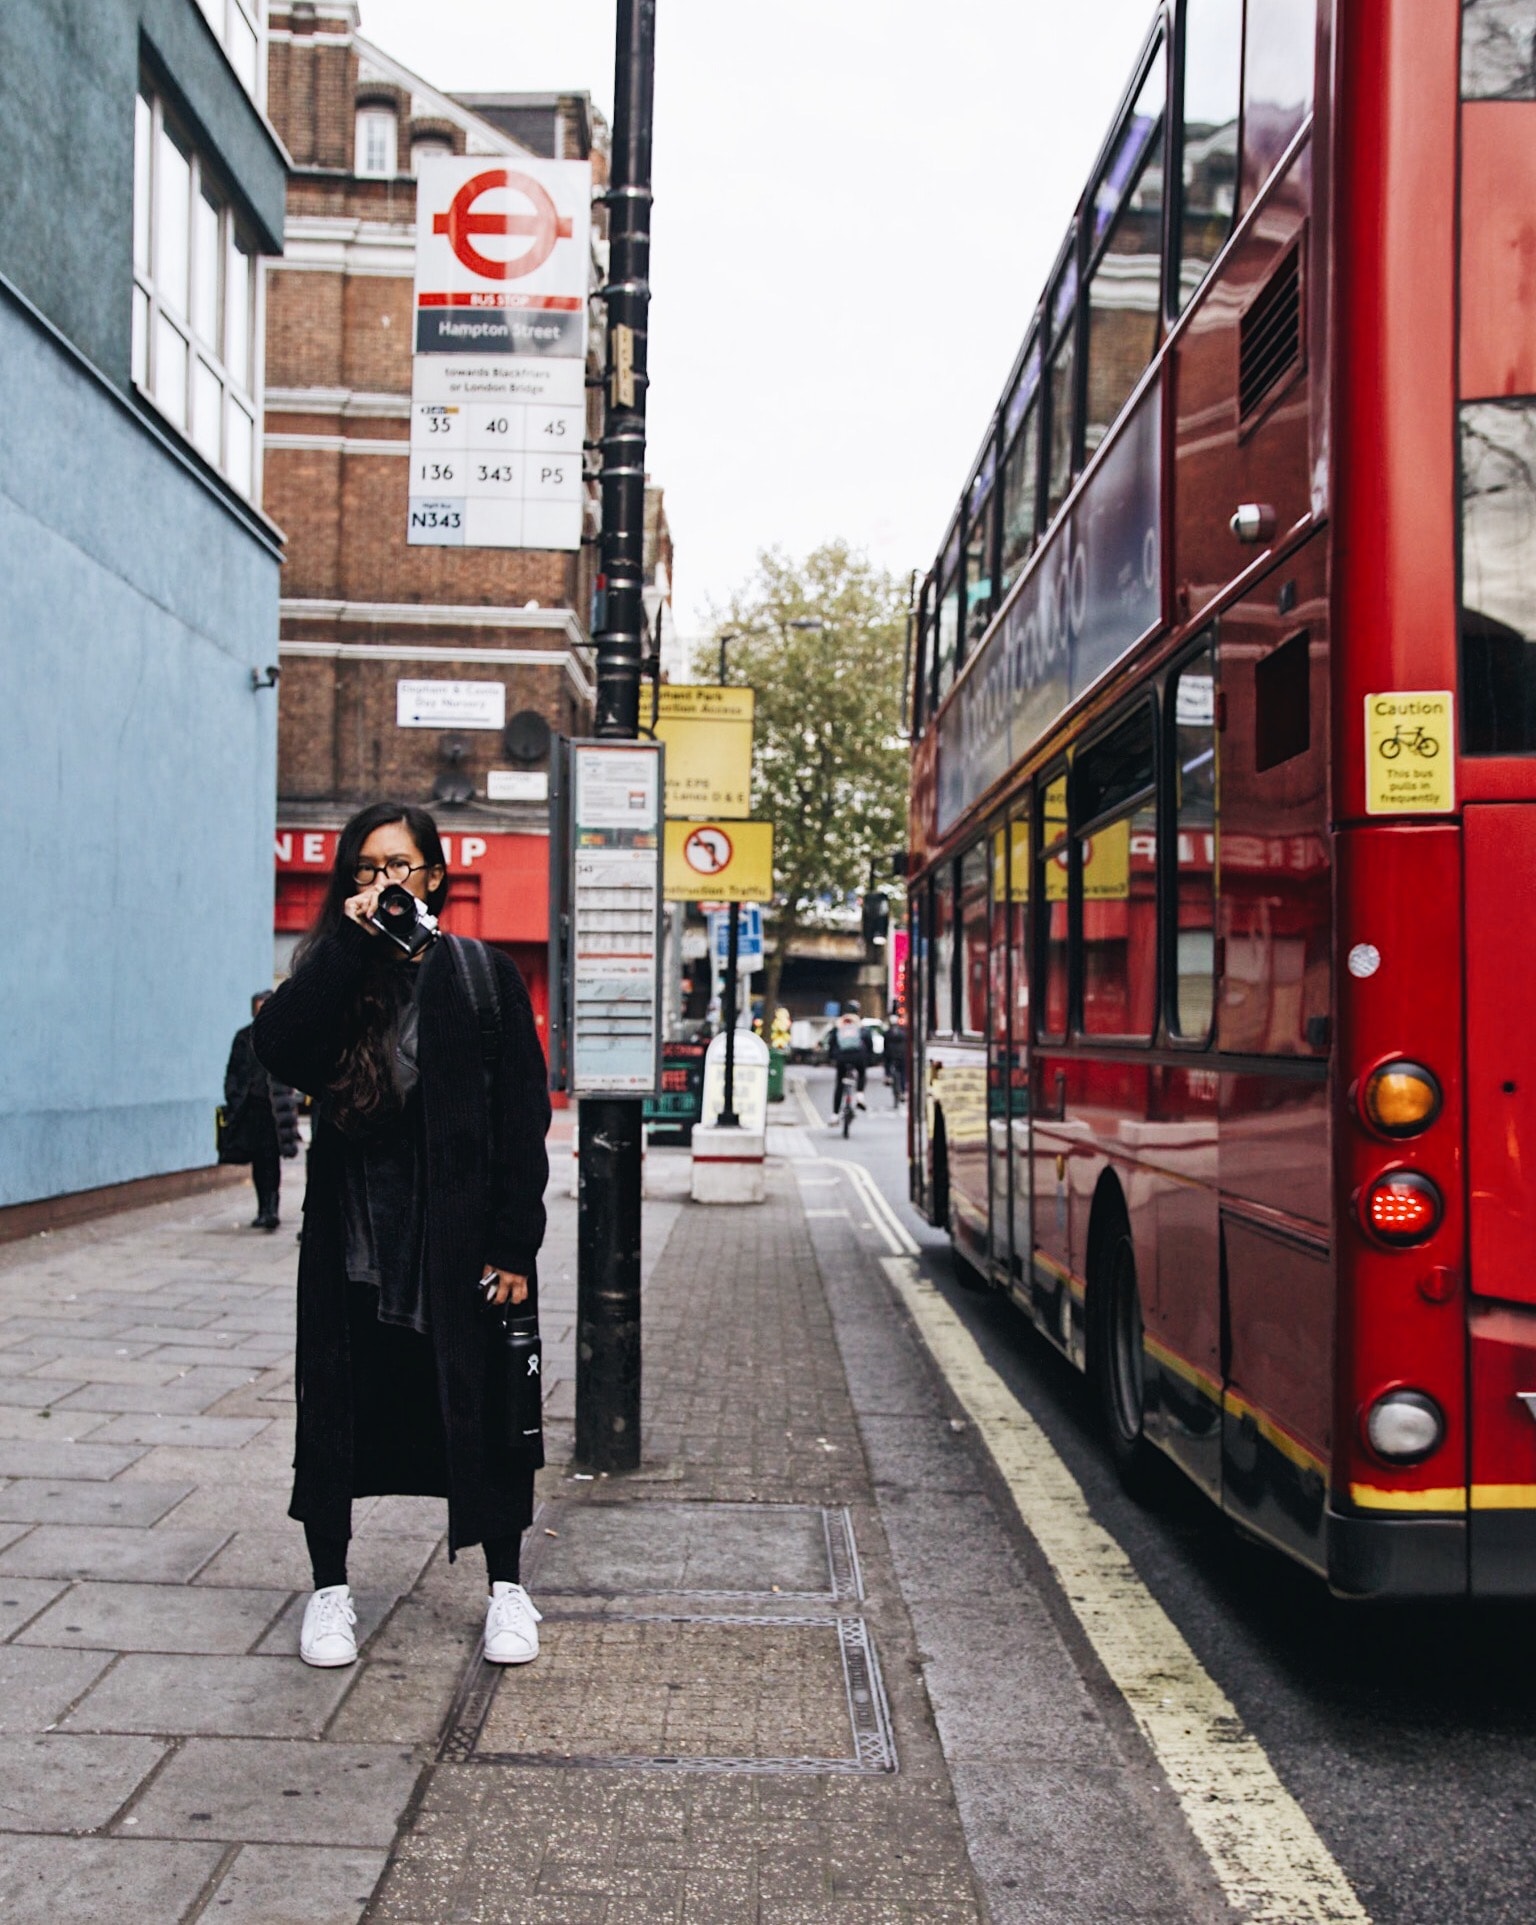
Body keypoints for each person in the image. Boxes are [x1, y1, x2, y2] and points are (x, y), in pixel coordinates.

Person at [253, 802, 551, 1672]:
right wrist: (346, 945)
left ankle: (506, 1589)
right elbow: (280, 1046)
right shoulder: (335, 976)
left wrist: (514, 1245)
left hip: (460, 1250)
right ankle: (331, 1590)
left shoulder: (483, 976)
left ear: (434, 876)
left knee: (488, 1416)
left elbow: (521, 1121)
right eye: (369, 869)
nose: (389, 882)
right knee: (338, 1419)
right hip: (354, 1248)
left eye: (403, 866)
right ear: (353, 884)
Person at [223, 993, 301, 1230]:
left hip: (273, 1109)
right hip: (251, 1108)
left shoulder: (282, 1037)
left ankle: (271, 1209)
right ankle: (262, 1209)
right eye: (260, 1007)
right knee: (258, 1161)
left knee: (271, 1160)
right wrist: (235, 1098)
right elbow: (233, 1072)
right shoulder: (244, 1037)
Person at [828, 1000, 872, 1122]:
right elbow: (868, 1039)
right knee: (862, 1073)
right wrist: (870, 1056)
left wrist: (831, 1056)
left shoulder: (839, 1023)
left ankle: (835, 1115)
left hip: (842, 1057)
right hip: (858, 1056)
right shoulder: (859, 1023)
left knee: (839, 1084)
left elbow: (831, 1041)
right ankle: (859, 1096)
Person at [885, 1008, 908, 1106]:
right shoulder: (903, 1032)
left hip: (891, 1054)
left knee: (887, 1061)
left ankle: (888, 1076)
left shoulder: (887, 1033)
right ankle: (903, 1092)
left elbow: (885, 1046)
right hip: (902, 1055)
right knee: (903, 1073)